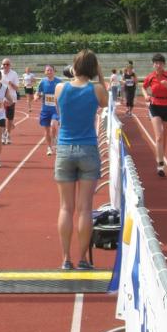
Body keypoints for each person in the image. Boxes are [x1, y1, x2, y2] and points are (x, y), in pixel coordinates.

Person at [53, 49, 108, 270]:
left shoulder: (60, 88)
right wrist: (100, 74)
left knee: (66, 208)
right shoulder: (96, 89)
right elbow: (107, 102)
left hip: (65, 148)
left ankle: (66, 258)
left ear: (75, 66)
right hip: (88, 148)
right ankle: (83, 258)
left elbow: (60, 111)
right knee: (85, 209)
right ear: (93, 68)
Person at [142, 54, 167, 177]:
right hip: (155, 105)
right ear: (153, 64)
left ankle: (161, 157)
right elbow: (143, 87)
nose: (158, 65)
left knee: (165, 136)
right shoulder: (150, 77)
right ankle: (160, 163)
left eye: (160, 63)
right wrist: (146, 95)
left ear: (164, 64)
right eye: (156, 63)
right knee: (158, 136)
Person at [35, 65, 62, 156]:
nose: (49, 72)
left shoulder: (59, 82)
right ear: (45, 72)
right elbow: (37, 92)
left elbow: (63, 93)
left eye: (51, 70)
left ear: (54, 71)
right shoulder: (42, 82)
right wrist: (36, 96)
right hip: (45, 110)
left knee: (53, 125)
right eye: (47, 70)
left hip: (56, 109)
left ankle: (54, 138)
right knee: (47, 130)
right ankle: (49, 147)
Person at [0, 58, 20, 144]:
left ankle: (8, 134)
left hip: (11, 98)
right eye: (4, 64)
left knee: (10, 118)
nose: (5, 66)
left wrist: (11, 84)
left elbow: (17, 88)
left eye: (7, 64)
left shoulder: (14, 74)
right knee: (1, 117)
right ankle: (3, 134)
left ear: (10, 65)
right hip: (1, 98)